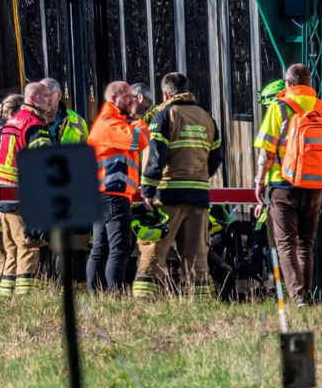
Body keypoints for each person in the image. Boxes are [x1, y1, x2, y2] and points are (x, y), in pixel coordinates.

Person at [134, 72, 222, 299]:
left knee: (155, 249)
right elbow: (216, 158)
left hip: (169, 194)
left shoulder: (164, 116)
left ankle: (145, 298)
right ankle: (199, 299)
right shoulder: (207, 118)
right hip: (199, 195)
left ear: (165, 93)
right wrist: (199, 177)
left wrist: (147, 191)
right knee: (196, 254)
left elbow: (156, 158)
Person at [253, 63, 322, 306]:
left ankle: (298, 297)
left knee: (286, 243)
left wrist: (259, 181)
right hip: (315, 185)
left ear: (287, 84)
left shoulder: (279, 107)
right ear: (310, 84)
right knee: (305, 244)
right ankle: (304, 295)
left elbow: (267, 149)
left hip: (283, 185)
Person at [86, 81, 149, 293]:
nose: (132, 100)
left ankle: (95, 292)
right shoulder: (110, 123)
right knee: (119, 248)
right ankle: (115, 294)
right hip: (112, 194)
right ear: (114, 98)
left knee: (101, 248)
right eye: (128, 96)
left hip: (103, 194)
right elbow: (139, 141)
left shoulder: (113, 121)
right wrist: (139, 119)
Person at [0, 82, 54, 295]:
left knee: (11, 249)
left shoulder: (11, 123)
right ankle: (25, 298)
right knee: (29, 246)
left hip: (3, 194)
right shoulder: (34, 126)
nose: (50, 100)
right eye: (46, 97)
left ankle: (5, 297)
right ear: (34, 98)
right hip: (22, 196)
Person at [0, 94, 23, 297]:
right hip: (5, 200)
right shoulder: (8, 134)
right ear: (13, 112)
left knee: (0, 249)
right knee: (11, 248)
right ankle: (5, 292)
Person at [41, 77, 89, 144]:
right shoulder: (32, 121)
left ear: (59, 96)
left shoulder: (78, 120)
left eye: (48, 95)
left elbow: (86, 149)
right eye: (41, 96)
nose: (44, 99)